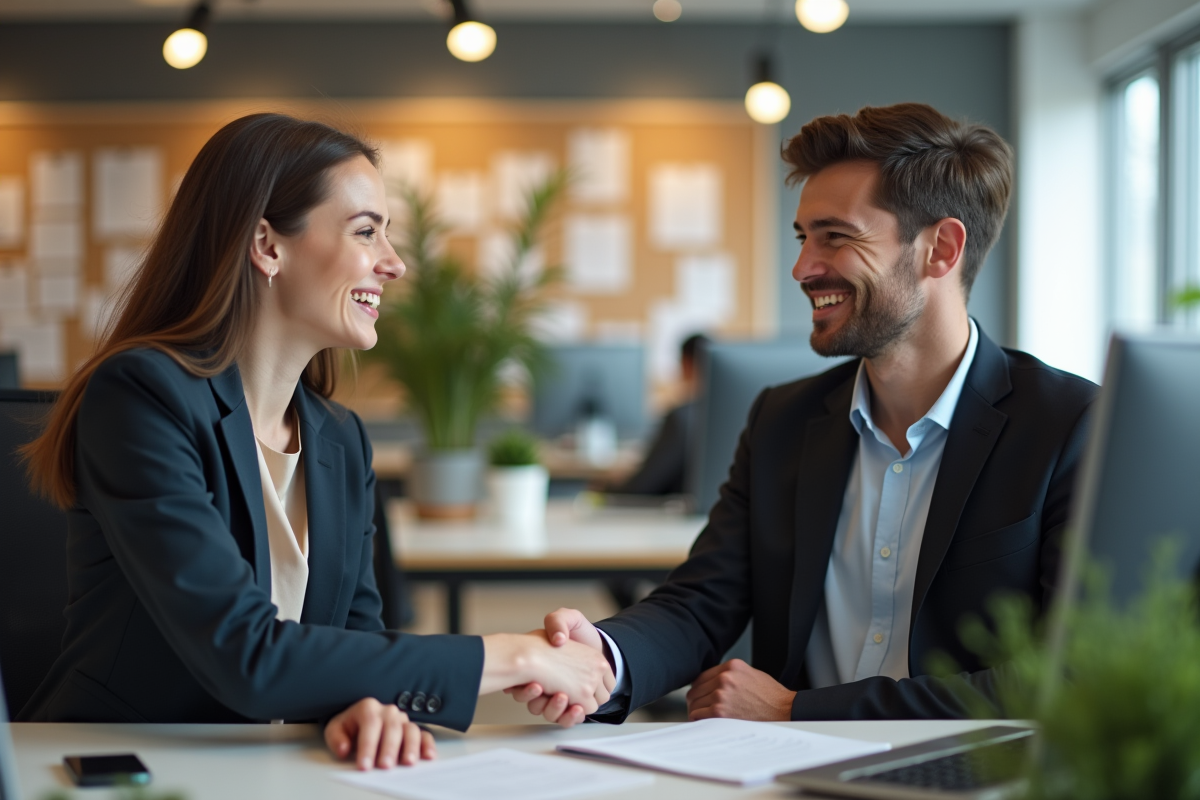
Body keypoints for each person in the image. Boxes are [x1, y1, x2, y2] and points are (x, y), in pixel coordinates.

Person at [18, 114, 613, 767]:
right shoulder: (140, 397)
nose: (395, 263)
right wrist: (515, 656)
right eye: (366, 232)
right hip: (129, 766)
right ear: (267, 245)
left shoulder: (339, 440)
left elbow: (355, 640)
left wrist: (360, 704)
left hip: (272, 767)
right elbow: (244, 652)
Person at [508, 103, 1097, 724]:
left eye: (835, 237)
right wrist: (603, 657)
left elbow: (1072, 674)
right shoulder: (781, 421)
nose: (803, 267)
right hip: (788, 778)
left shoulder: (1070, 428)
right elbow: (703, 601)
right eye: (803, 237)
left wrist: (801, 709)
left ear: (941, 249)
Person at [608, 333, 708, 497]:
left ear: (685, 364)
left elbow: (641, 487)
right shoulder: (734, 418)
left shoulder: (681, 418)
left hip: (665, 517)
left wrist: (606, 487)